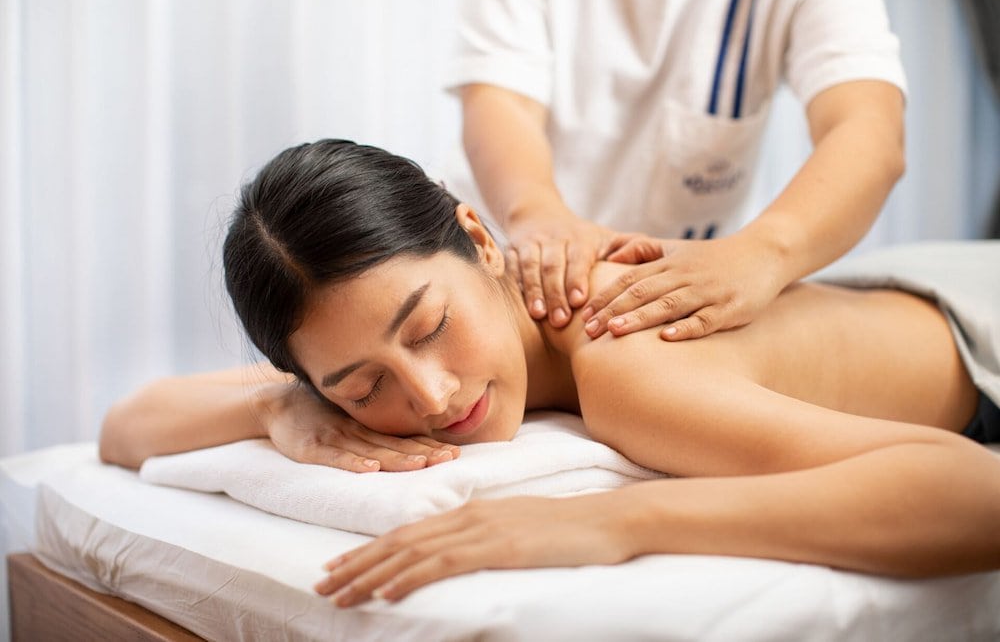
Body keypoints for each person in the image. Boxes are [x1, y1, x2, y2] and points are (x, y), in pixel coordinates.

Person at [99, 139, 1000, 608]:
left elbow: (975, 493)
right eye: (361, 387)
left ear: (482, 239)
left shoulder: (620, 356)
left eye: (432, 328)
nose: (433, 395)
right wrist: (271, 409)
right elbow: (127, 425)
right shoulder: (368, 335)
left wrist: (613, 522)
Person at [444, 0, 907, 343]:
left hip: (672, 301)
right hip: (512, 270)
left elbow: (868, 131)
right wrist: (537, 212)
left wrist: (764, 252)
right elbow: (501, 103)